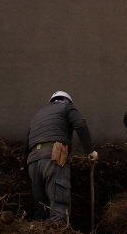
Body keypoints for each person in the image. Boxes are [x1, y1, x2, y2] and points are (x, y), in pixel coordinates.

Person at [22, 91, 97, 224]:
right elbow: (79, 123)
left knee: (41, 206)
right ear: (68, 101)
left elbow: (27, 142)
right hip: (53, 156)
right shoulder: (66, 107)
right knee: (58, 202)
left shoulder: (38, 114)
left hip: (33, 160)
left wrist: (24, 164)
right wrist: (89, 151)